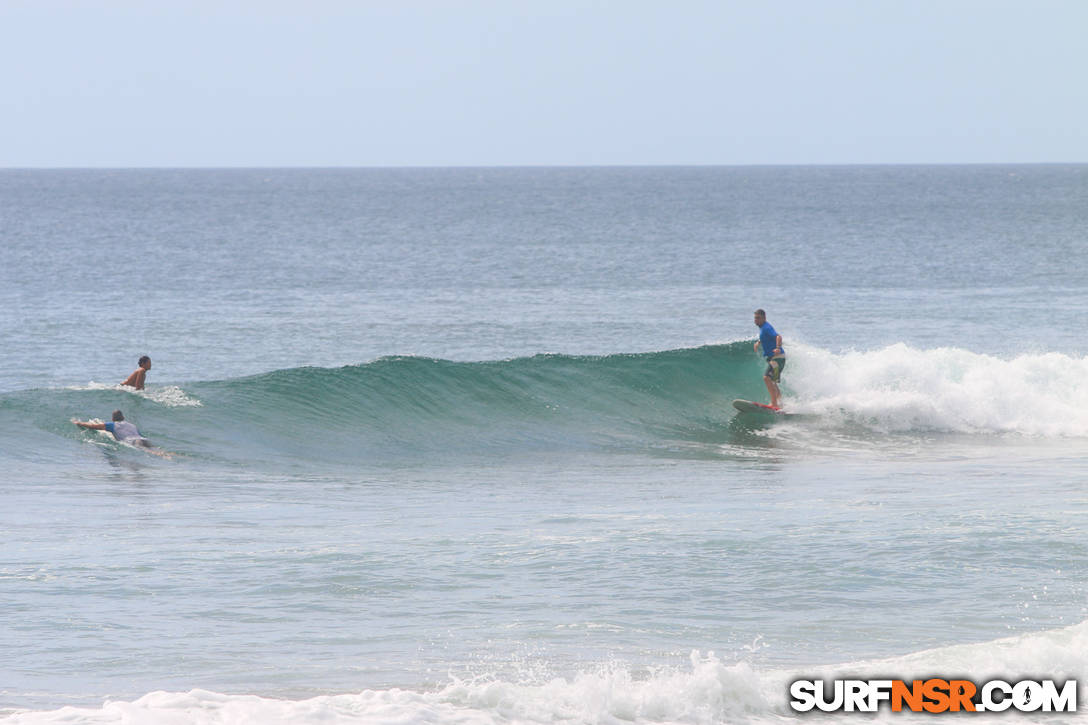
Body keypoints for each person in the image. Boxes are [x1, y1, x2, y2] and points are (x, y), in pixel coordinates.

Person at [753, 309, 786, 409]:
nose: (756, 320)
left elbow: (778, 336)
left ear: (764, 318)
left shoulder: (766, 327)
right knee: (772, 381)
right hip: (778, 359)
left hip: (777, 358)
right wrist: (759, 342)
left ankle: (774, 403)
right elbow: (767, 338)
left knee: (766, 378)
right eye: (755, 318)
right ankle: (780, 403)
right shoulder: (764, 328)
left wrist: (778, 347)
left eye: (758, 318)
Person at [72, 409, 151, 447]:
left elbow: (93, 426)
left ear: (113, 419)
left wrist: (79, 423)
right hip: (143, 439)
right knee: (155, 450)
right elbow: (141, 435)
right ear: (123, 417)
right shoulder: (132, 425)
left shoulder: (112, 425)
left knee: (149, 451)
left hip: (133, 442)